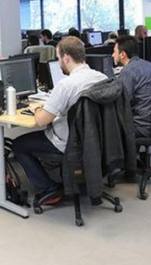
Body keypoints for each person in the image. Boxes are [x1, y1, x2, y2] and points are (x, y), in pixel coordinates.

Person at [12, 37, 108, 203]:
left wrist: (37, 109)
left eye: (58, 58)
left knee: (18, 145)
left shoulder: (66, 85)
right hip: (95, 140)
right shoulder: (101, 78)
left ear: (66, 58)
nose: (58, 63)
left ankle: (47, 188)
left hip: (69, 143)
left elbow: (42, 121)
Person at [113, 35, 151, 138]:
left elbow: (122, 102)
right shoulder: (149, 65)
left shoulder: (128, 72)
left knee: (106, 126)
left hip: (141, 127)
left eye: (114, 52)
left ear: (122, 54)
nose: (113, 55)